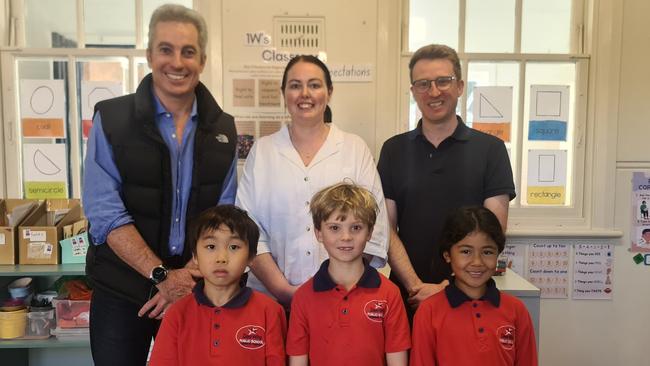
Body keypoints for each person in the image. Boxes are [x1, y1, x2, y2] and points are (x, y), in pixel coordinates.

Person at [82, 4, 237, 365]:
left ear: (203, 59)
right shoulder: (112, 119)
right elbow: (105, 214)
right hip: (122, 290)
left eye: (188, 52)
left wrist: (187, 277)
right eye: (166, 49)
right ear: (150, 54)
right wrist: (162, 276)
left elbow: (225, 216)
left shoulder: (223, 130)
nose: (177, 62)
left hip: (194, 290)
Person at [236, 55, 389, 307]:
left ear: (329, 92)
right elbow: (248, 229)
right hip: (271, 301)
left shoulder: (353, 148)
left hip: (343, 300)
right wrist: (284, 291)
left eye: (314, 85)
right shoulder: (263, 151)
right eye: (295, 85)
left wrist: (336, 287)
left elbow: (375, 225)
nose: (304, 93)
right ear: (283, 92)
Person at [377, 44, 516, 313]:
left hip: (471, 298)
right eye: (423, 84)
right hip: (409, 299)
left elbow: (494, 234)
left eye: (443, 81)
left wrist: (447, 290)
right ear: (413, 91)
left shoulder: (491, 150)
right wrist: (416, 286)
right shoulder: (393, 150)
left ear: (461, 86)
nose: (434, 91)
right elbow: (386, 230)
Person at [286, 183, 410, 366]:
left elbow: (397, 360)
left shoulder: (389, 294)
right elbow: (298, 360)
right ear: (319, 233)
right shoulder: (303, 297)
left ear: (369, 232)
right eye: (335, 228)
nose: (346, 237)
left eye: (356, 228)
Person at [149, 205, 287, 366]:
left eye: (233, 247)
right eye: (211, 247)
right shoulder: (177, 313)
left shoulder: (270, 311)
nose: (221, 258)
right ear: (195, 256)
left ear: (251, 257)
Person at [410, 206, 537, 366]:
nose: (477, 262)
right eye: (466, 251)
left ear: (498, 254)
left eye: (487, 252)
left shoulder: (517, 310)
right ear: (447, 255)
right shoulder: (428, 312)